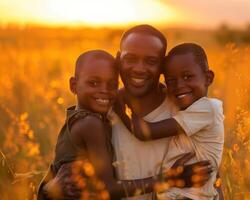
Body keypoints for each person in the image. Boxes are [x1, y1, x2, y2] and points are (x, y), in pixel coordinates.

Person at [37, 49, 202, 200]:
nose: (104, 90)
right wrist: (170, 179)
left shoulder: (78, 116)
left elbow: (56, 167)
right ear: (74, 86)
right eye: (93, 83)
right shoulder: (91, 124)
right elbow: (107, 189)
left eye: (112, 85)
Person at [109, 25, 216, 200]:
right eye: (131, 59)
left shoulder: (184, 110)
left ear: (163, 66)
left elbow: (210, 178)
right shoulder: (102, 108)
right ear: (118, 59)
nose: (139, 68)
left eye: (151, 61)